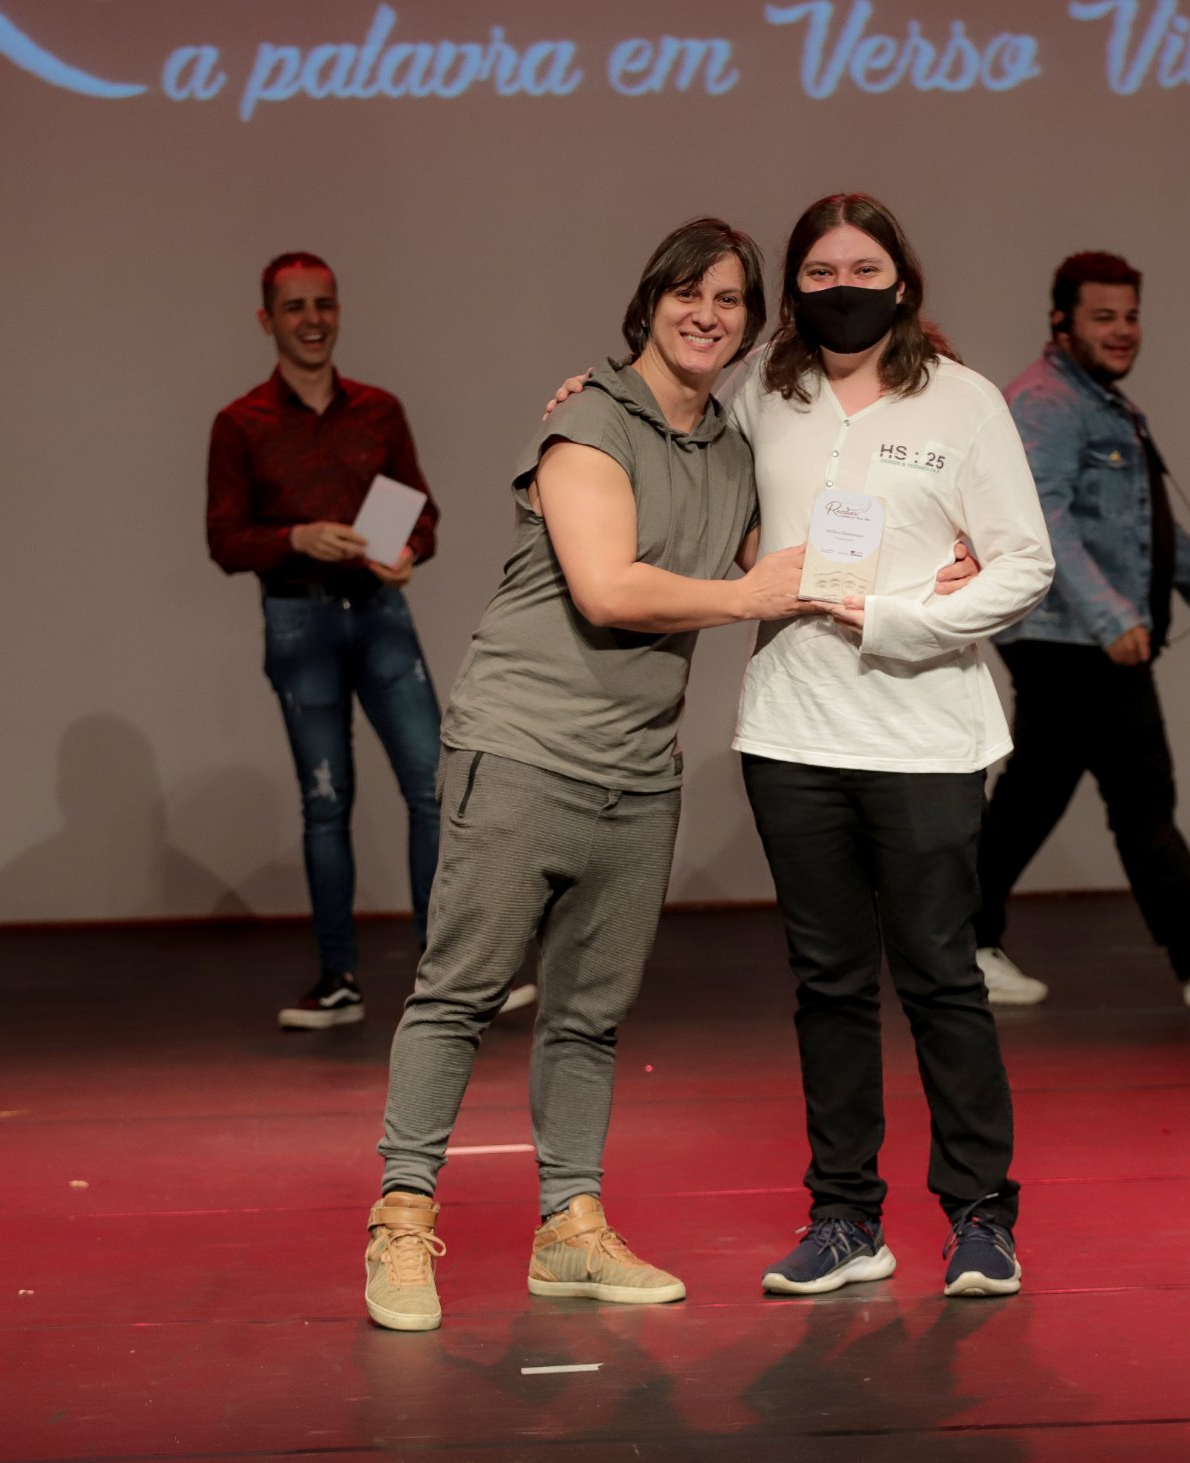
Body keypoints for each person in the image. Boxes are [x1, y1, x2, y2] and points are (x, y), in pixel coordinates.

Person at [361, 217, 825, 1333]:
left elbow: (800, 555)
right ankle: (400, 1219)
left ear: (749, 325)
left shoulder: (728, 449)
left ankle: (569, 1226)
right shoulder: (588, 423)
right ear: (648, 303)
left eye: (729, 299)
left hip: (637, 770)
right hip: (524, 745)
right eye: (687, 292)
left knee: (588, 1015)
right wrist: (747, 596)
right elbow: (609, 588)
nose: (706, 314)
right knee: (459, 992)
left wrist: (930, 561)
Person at [725, 195, 1054, 1300]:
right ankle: (844, 1218)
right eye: (818, 272)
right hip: (791, 727)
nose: (841, 288)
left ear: (901, 281)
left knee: (939, 976)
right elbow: (679, 465)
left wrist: (902, 618)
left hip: (923, 732)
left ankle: (979, 1214)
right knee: (826, 982)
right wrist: (592, 395)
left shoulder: (962, 400)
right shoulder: (760, 392)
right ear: (792, 287)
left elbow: (1022, 562)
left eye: (862, 269)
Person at [206, 254, 531, 1030]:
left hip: (380, 610)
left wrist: (408, 548)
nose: (312, 319)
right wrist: (295, 537)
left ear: (339, 311)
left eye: (323, 304)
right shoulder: (241, 422)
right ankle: (338, 979)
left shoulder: (378, 410)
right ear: (267, 320)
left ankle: (449, 973)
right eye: (295, 307)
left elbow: (421, 512)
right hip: (300, 618)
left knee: (432, 786)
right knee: (326, 804)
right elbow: (224, 538)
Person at [973, 251, 1190, 1011]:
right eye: (1103, 317)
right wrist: (1113, 616)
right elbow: (1041, 521)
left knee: (1036, 795)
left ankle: (961, 943)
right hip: (1072, 637)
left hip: (1078, 636)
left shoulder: (1101, 403)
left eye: (1130, 317)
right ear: (1062, 321)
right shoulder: (1048, 403)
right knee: (1141, 797)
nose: (1122, 331)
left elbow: (1144, 530)